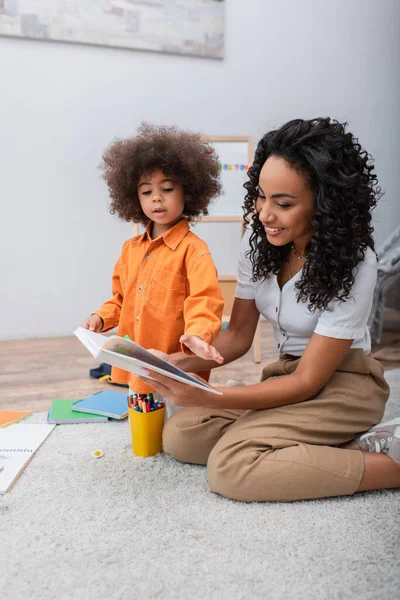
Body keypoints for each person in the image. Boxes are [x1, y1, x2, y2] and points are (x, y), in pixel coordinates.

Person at [141, 117, 400, 502]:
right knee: (183, 436)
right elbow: (238, 338)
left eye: (283, 203)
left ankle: (389, 466)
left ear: (325, 204)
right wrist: (177, 364)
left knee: (232, 468)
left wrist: (215, 399)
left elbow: (308, 381)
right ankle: (304, 448)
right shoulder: (259, 244)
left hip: (343, 386)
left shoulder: (354, 263)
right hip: (284, 377)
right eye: (261, 196)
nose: (264, 214)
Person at [82, 123, 224, 415]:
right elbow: (121, 299)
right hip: (136, 363)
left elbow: (205, 300)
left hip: (172, 366)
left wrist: (197, 334)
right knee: (144, 425)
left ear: (190, 190)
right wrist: (101, 317)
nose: (157, 198)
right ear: (134, 197)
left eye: (167, 188)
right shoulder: (130, 249)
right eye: (146, 192)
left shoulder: (193, 250)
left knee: (178, 428)